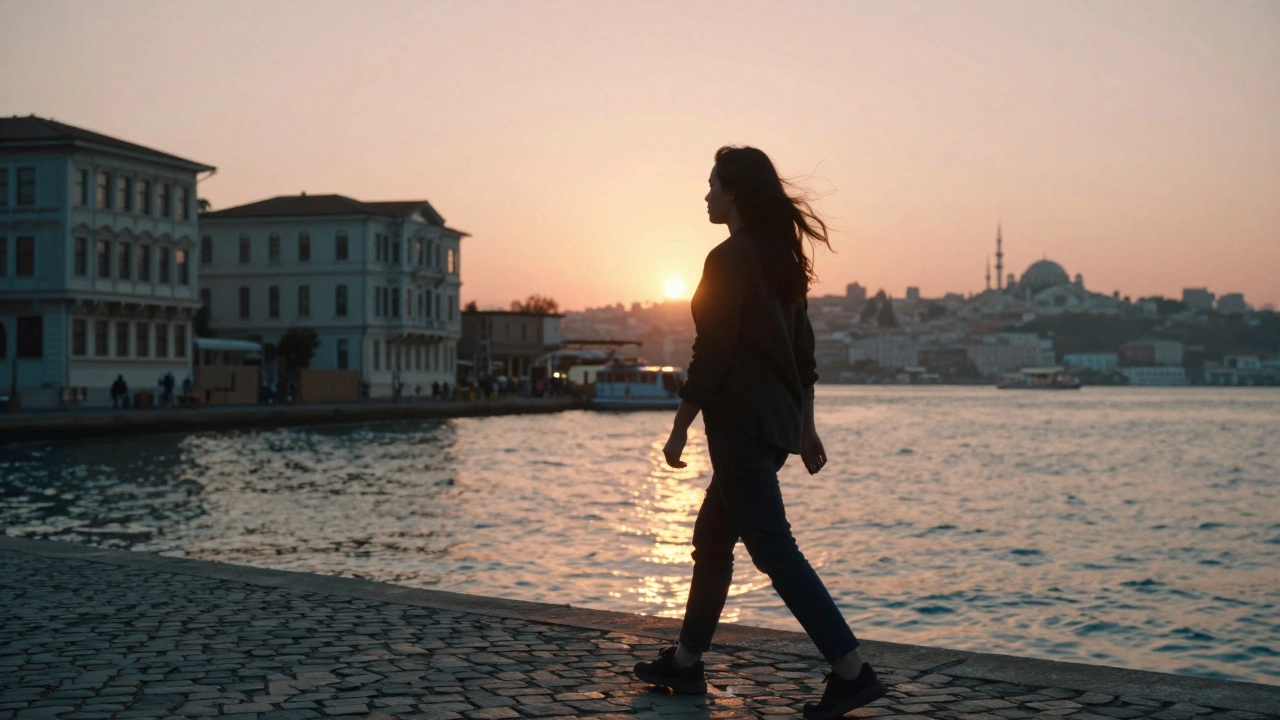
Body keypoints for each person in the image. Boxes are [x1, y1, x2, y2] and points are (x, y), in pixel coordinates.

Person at [631, 146, 886, 717]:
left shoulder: (727, 259)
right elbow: (804, 356)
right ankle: (687, 662)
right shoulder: (779, 259)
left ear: (734, 194)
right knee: (713, 540)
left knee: (773, 548)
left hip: (740, 425)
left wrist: (678, 428)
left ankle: (851, 670)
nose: (705, 195)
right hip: (773, 427)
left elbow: (712, 353)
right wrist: (806, 427)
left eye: (712, 185)